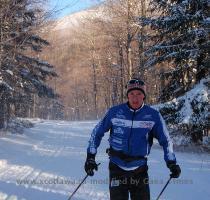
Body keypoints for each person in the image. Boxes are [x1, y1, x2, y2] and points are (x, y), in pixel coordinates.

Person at [84, 78, 181, 200]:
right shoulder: (114, 112)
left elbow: (166, 141)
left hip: (139, 170)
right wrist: (90, 157)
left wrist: (171, 163)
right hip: (116, 168)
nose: (135, 98)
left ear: (144, 96)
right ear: (127, 95)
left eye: (139, 94)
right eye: (132, 94)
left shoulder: (153, 115)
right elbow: (96, 133)